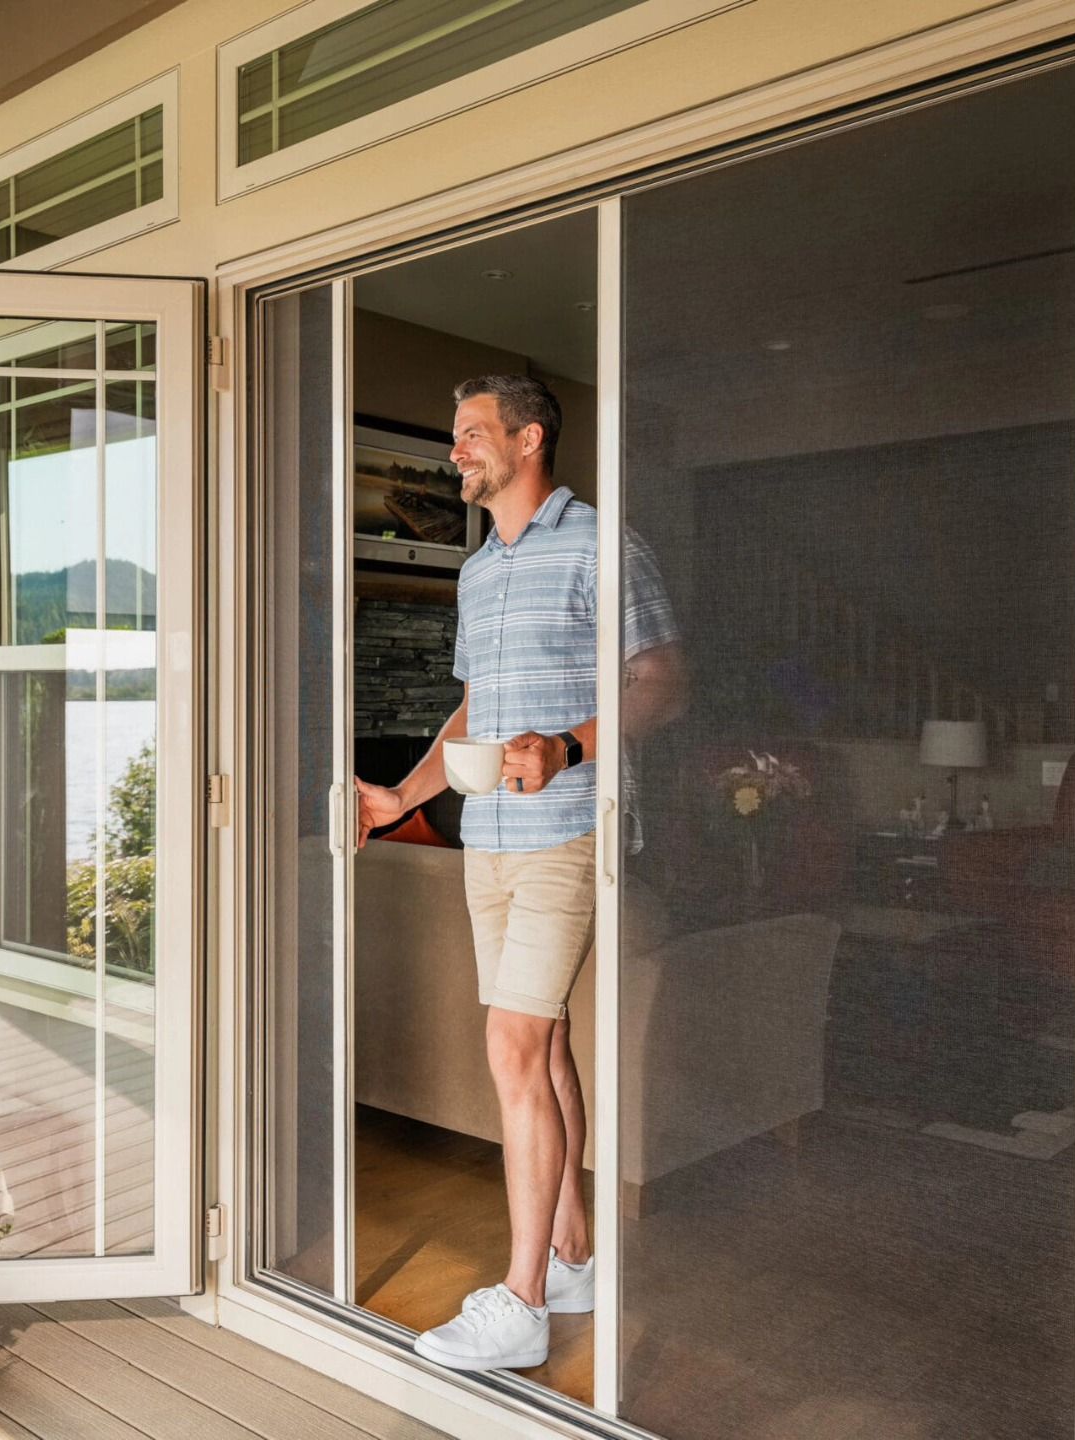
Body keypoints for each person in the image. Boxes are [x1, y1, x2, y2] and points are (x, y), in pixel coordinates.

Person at [354, 374, 684, 1373]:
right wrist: (406, 799)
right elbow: (470, 709)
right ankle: (572, 1252)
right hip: (486, 840)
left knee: (509, 1046)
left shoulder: (601, 543)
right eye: (456, 437)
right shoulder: (480, 571)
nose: (455, 453)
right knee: (540, 1049)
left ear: (529, 439)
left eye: (470, 435)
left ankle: (524, 1300)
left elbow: (662, 681)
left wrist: (570, 749)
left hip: (566, 833)